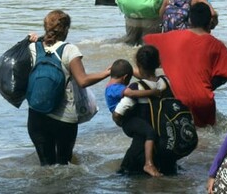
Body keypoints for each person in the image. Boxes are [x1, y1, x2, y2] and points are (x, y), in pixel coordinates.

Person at [27, 10, 110, 165]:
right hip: (63, 117)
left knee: (46, 166)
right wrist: (106, 73)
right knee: (64, 164)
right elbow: (83, 80)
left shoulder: (32, 48)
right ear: (65, 30)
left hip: (36, 115)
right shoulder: (69, 50)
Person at [144, 2, 227, 127]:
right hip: (204, 100)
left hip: (177, 98)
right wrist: (210, 86)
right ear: (210, 22)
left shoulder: (170, 37)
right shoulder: (216, 44)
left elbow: (146, 40)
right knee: (206, 138)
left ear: (189, 20)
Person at [114, 45, 178, 175]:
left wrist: (125, 124)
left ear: (137, 64)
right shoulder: (167, 82)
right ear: (158, 63)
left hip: (141, 151)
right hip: (167, 147)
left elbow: (117, 114)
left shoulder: (135, 88)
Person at [105, 59, 162, 177]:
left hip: (127, 118)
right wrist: (152, 92)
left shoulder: (111, 85)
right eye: (129, 79)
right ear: (125, 78)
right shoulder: (116, 88)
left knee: (143, 135)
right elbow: (131, 93)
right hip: (126, 120)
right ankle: (148, 164)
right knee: (150, 132)